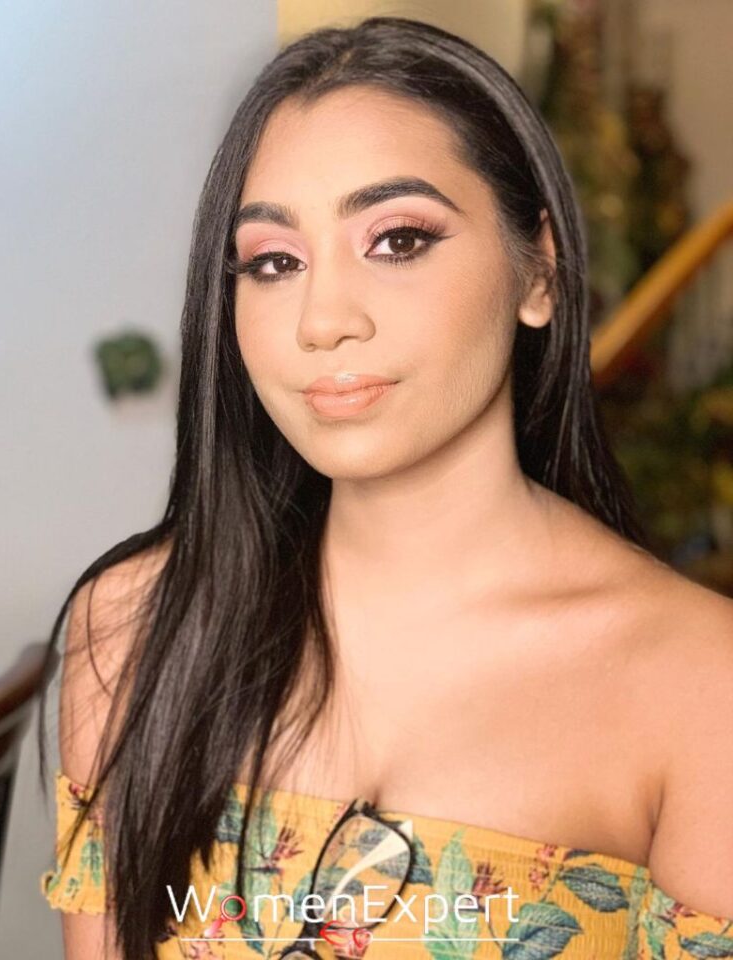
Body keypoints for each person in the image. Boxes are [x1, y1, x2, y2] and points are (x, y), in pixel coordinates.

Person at [38, 15, 733, 960]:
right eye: (275, 262)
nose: (322, 319)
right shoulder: (135, 628)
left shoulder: (697, 685)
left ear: (539, 270)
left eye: (398, 240)